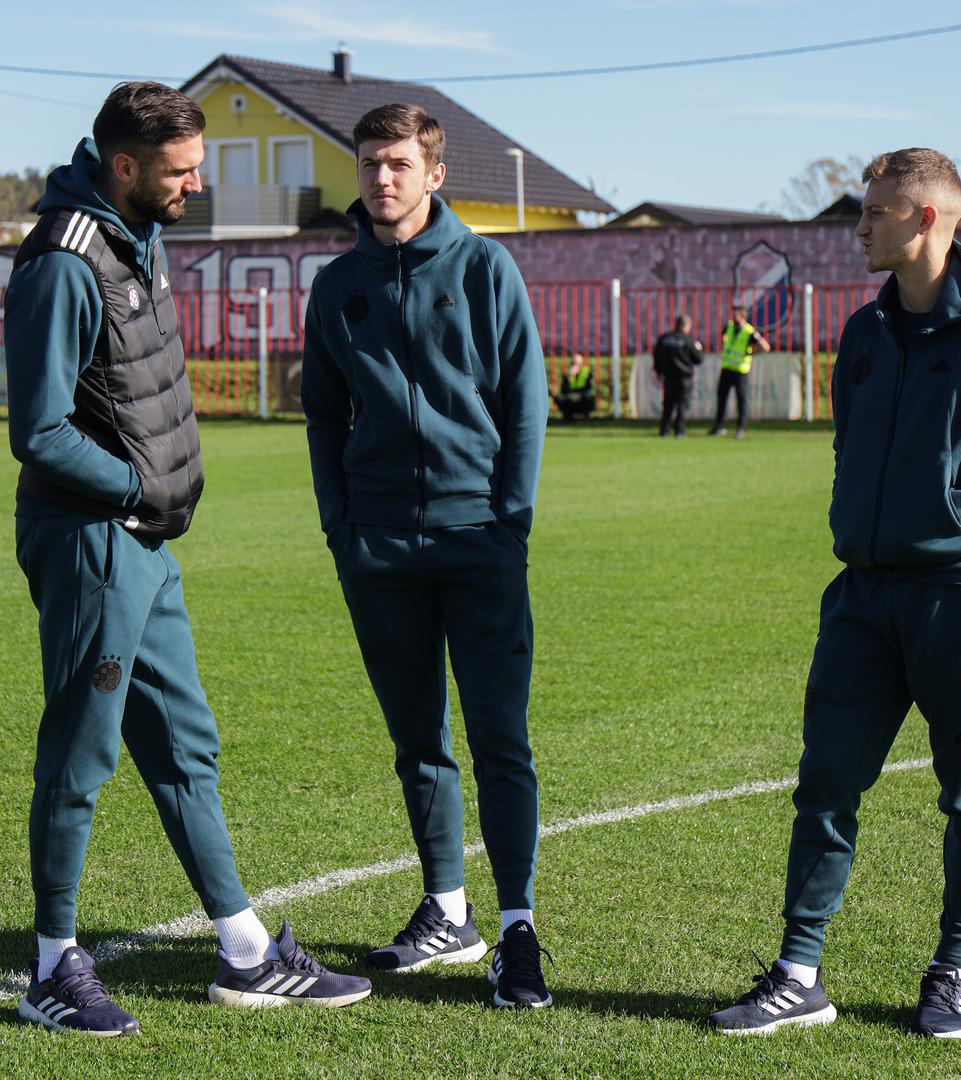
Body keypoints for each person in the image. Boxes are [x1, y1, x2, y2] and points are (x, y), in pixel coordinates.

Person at [4, 82, 370, 1036]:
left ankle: (246, 952)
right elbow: (38, 430)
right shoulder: (64, 263)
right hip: (92, 542)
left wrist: (152, 504)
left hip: (145, 545)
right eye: (180, 171)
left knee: (183, 745)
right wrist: (135, 489)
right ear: (123, 166)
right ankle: (50, 967)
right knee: (81, 753)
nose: (195, 185)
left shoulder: (137, 236)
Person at [704, 148, 961, 1040]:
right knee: (824, 783)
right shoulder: (864, 331)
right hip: (863, 595)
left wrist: (957, 504)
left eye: (876, 212)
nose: (860, 226)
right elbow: (848, 442)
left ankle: (951, 971)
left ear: (928, 218)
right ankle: (798, 974)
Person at [302, 103, 553, 1008]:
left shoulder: (485, 267)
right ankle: (447, 910)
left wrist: (508, 524)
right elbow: (322, 413)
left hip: (477, 538)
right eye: (370, 162)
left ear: (434, 174)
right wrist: (340, 524)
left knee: (498, 740)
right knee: (417, 743)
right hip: (377, 545)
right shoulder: (337, 285)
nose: (382, 178)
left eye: (399, 163)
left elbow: (524, 400)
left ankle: (516, 928)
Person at [708, 303, 771, 438]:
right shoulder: (729, 326)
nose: (734, 316)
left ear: (743, 316)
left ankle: (741, 428)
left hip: (741, 370)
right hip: (727, 368)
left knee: (741, 400)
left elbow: (765, 347)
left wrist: (752, 353)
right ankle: (719, 426)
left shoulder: (749, 331)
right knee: (721, 398)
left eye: (736, 314)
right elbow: (724, 339)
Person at [652, 314, 703, 437]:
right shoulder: (689, 340)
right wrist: (699, 348)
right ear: (686, 326)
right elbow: (699, 359)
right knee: (682, 405)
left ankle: (664, 430)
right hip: (684, 378)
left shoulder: (664, 339)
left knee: (668, 404)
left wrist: (659, 372)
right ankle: (679, 430)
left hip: (669, 378)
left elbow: (657, 356)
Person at [553, 352, 595, 421]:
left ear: (581, 364)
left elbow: (589, 389)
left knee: (588, 398)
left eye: (577, 364)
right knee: (558, 398)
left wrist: (577, 393)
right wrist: (570, 376)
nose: (574, 365)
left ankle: (586, 416)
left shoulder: (587, 373)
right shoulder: (568, 374)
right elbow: (563, 390)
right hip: (570, 401)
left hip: (582, 400)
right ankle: (568, 416)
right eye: (573, 363)